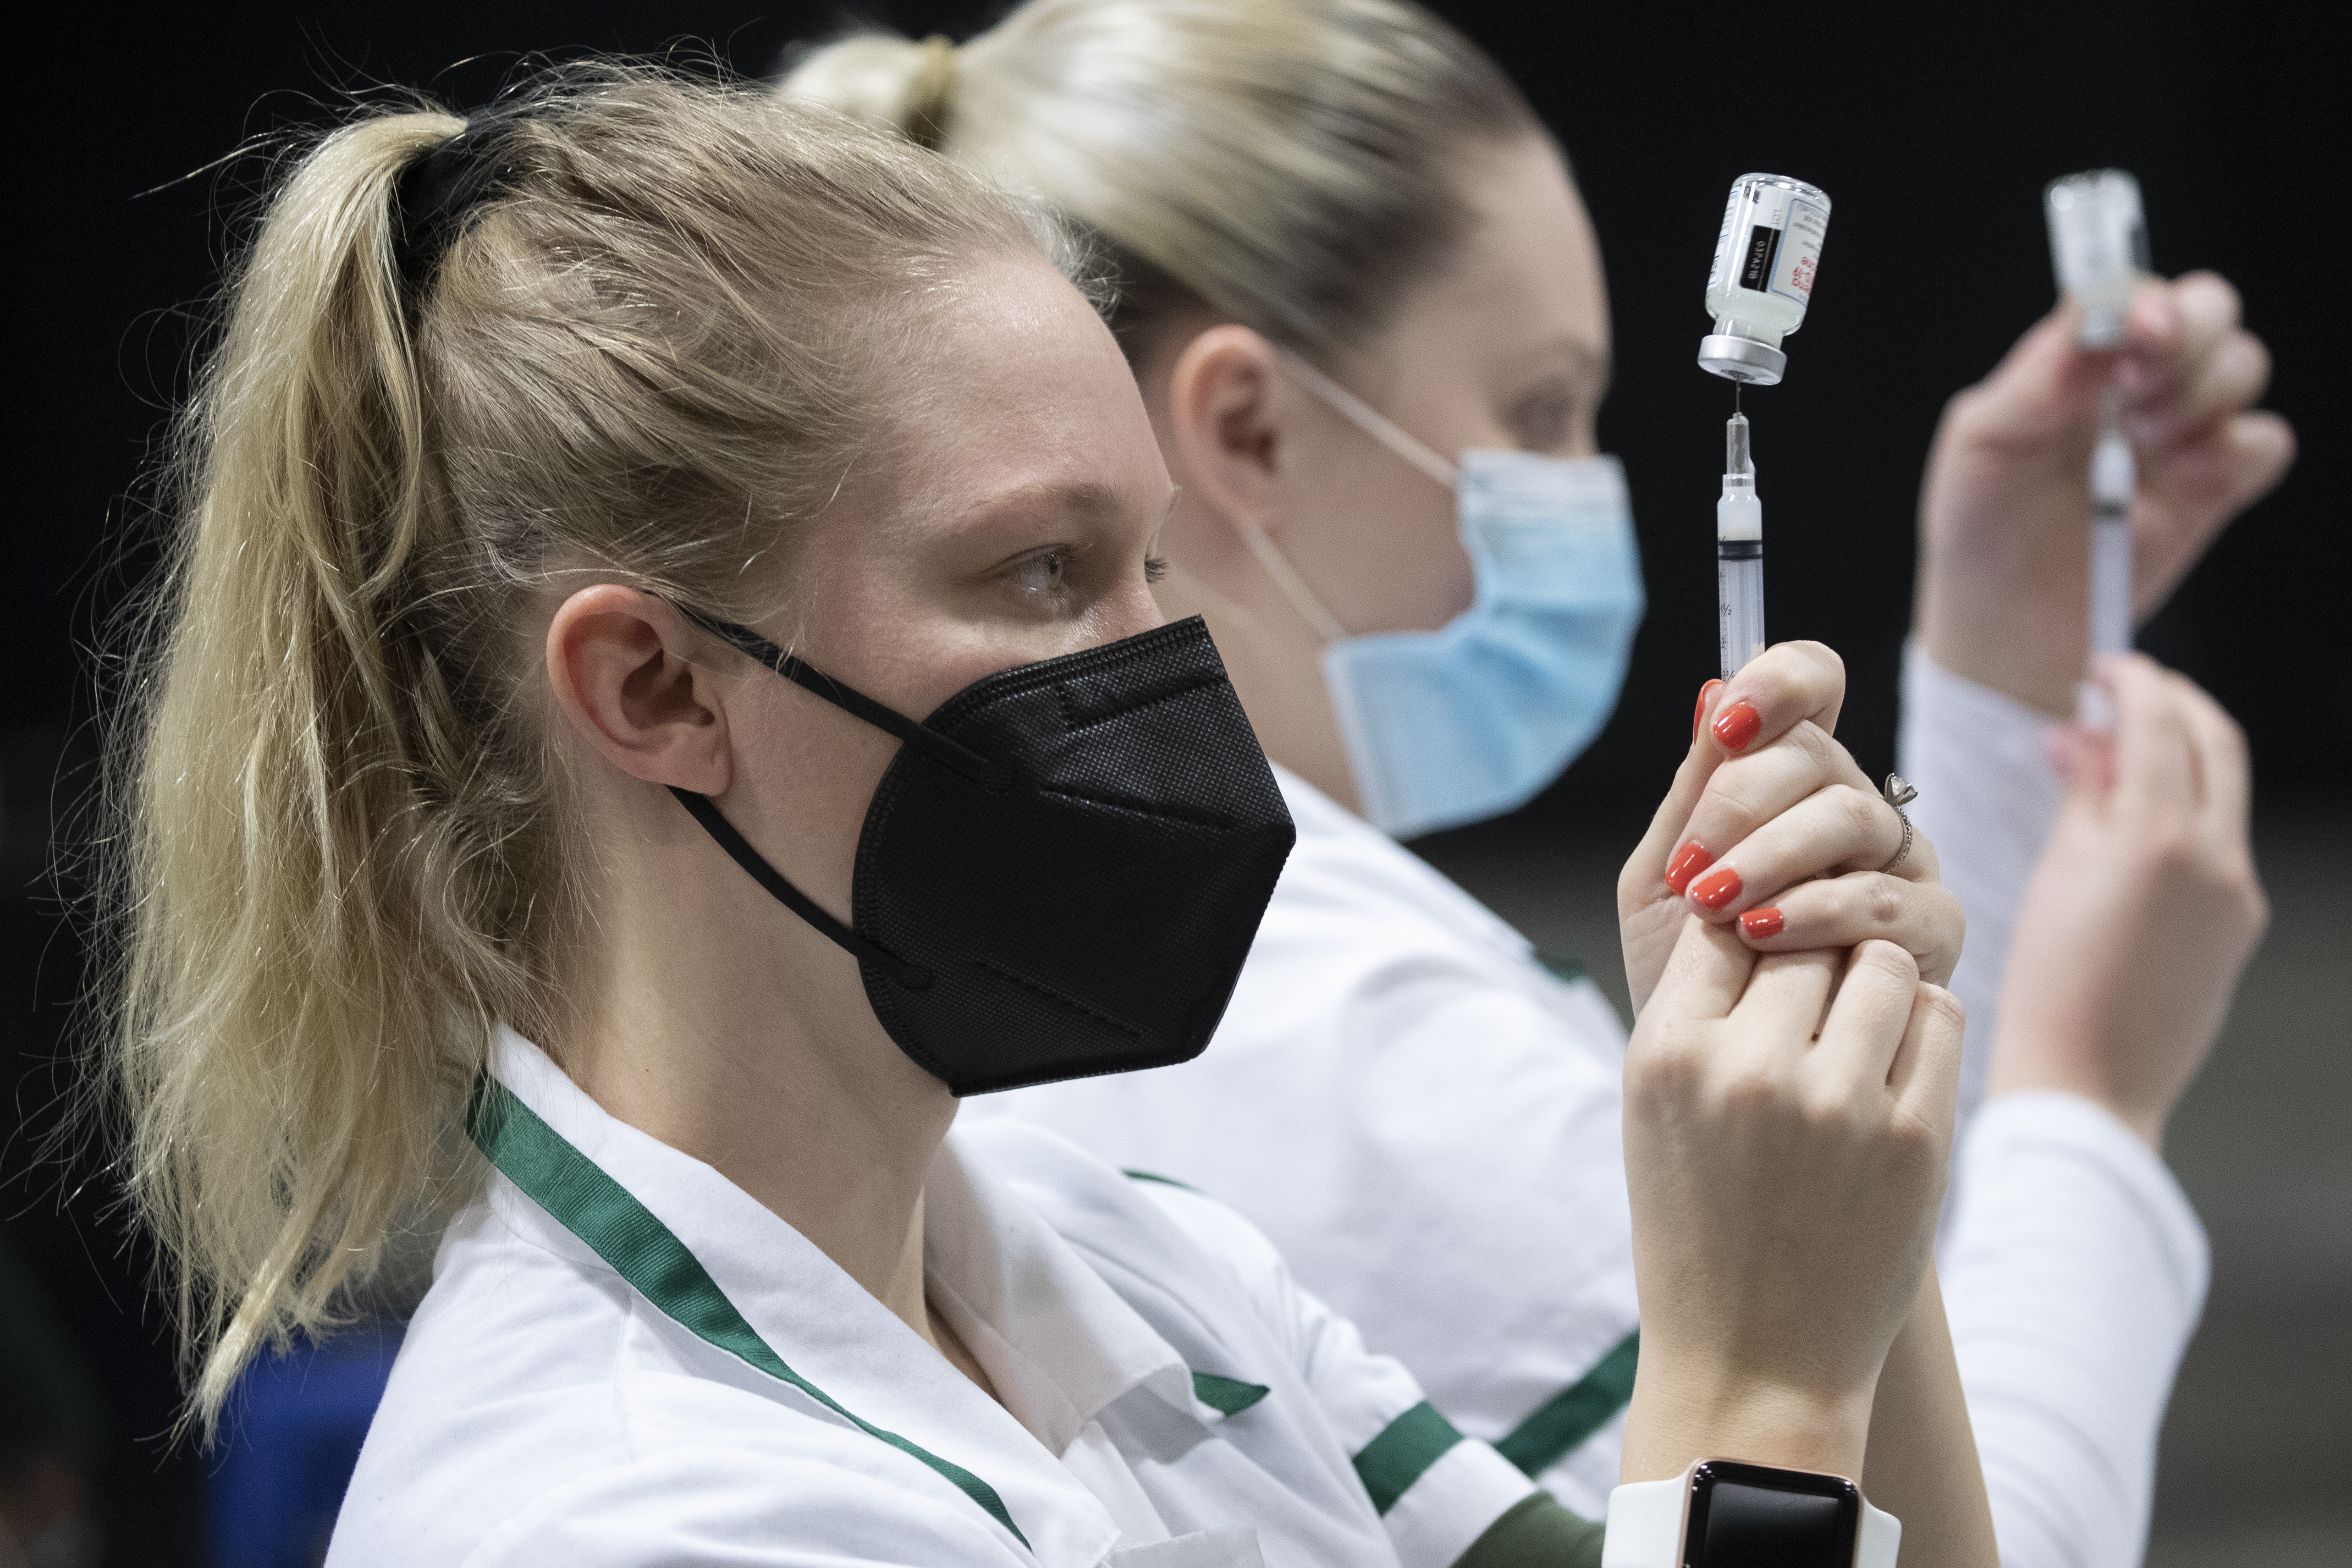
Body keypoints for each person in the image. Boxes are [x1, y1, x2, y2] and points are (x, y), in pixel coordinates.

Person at [104, 64, 1999, 1567]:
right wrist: (1751, 1367)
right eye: (1038, 573)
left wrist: (1832, 1177)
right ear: (657, 688)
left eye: (1156, 560)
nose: (1161, 668)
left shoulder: (1137, 1274)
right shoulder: (625, 1508)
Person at [779, 1, 2286, 1558]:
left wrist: (1993, 664)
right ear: (1245, 427)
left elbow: (1884, 1324)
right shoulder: (1354, 1028)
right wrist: (2087, 1094)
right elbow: (1913, 1528)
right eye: (1541, 410)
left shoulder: (1103, 935)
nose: (1584, 483)